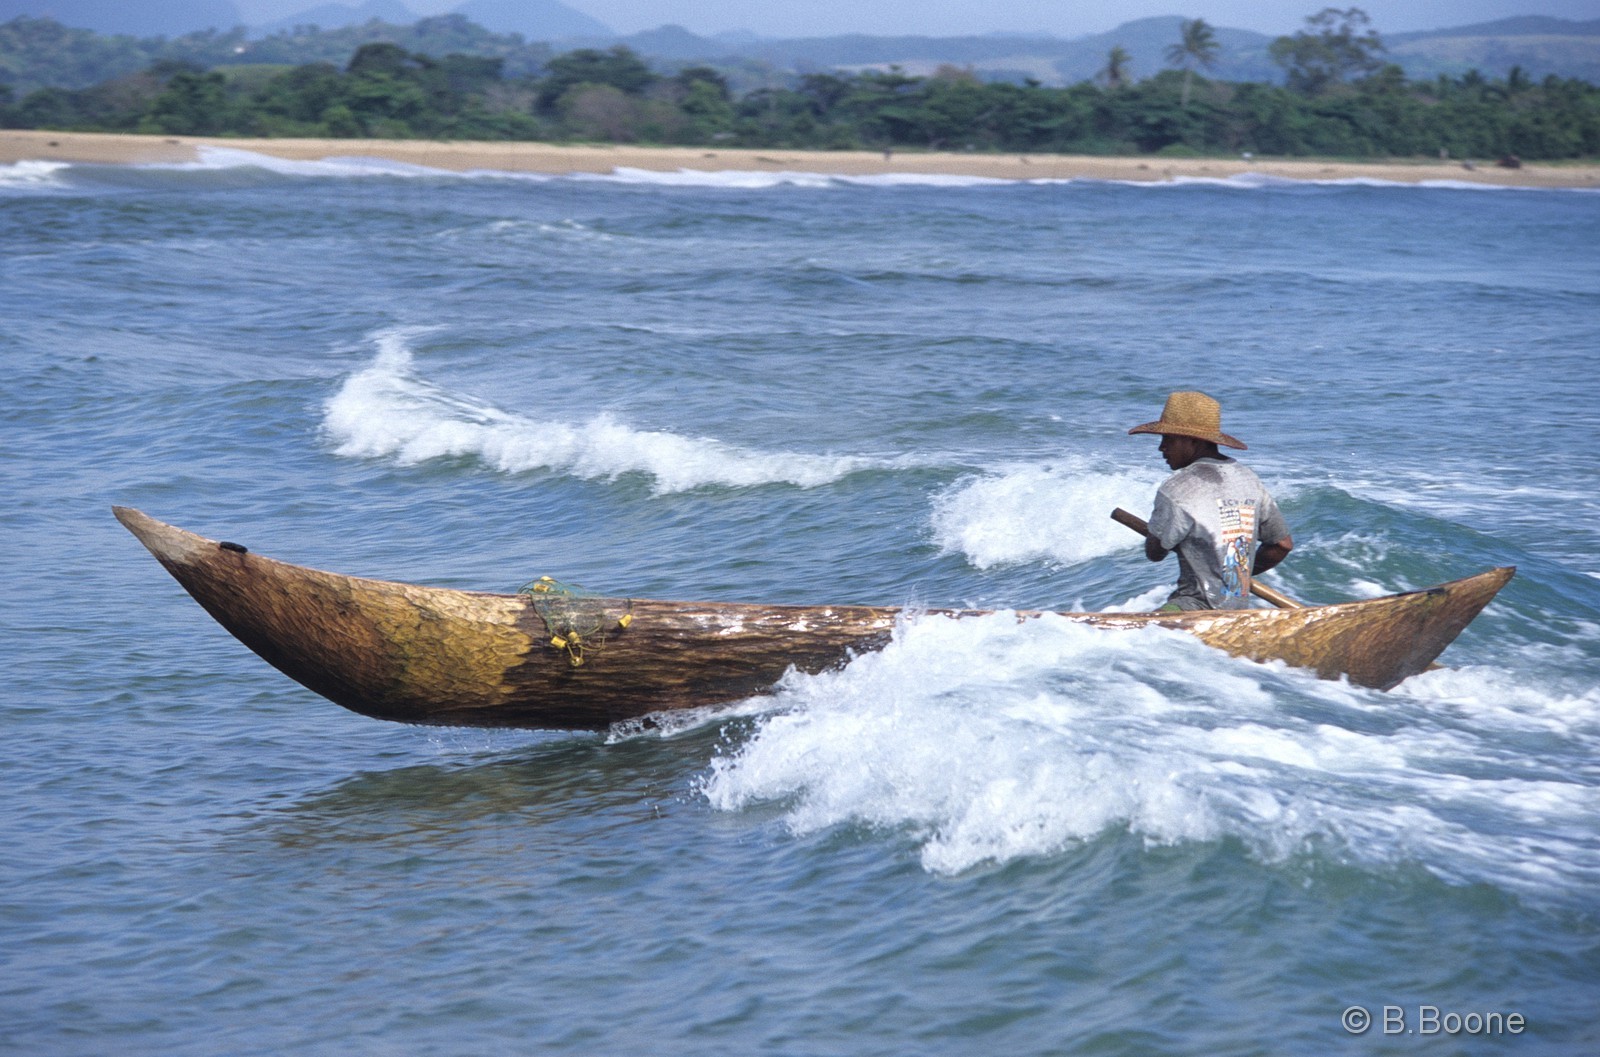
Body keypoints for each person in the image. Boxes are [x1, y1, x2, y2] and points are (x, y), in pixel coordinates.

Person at [1128, 391, 1292, 611]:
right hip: (1236, 613)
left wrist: (1158, 534)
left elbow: (1155, 553)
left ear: (1193, 441)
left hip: (1192, 606)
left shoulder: (1177, 488)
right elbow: (1282, 545)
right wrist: (1232, 574)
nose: (1161, 447)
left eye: (1168, 439)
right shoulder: (1248, 479)